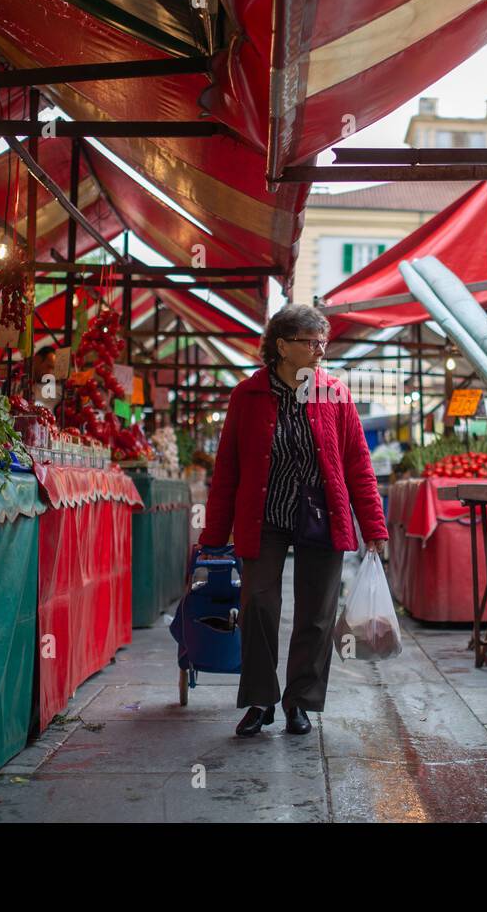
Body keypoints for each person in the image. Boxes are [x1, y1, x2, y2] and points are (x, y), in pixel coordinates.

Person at [199, 304, 389, 737]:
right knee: (258, 607)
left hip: (323, 515)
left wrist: (374, 528)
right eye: (309, 341)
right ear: (281, 346)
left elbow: (358, 464)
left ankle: (299, 701)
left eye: (323, 341)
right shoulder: (246, 395)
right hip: (264, 516)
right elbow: (227, 467)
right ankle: (260, 700)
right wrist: (213, 533)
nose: (319, 349)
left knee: (317, 614)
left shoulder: (336, 394)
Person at [30, 345, 60, 412]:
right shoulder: (16, 382)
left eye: (53, 368)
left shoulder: (57, 390)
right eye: (49, 367)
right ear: (37, 360)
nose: (50, 372)